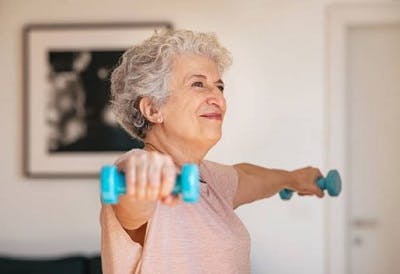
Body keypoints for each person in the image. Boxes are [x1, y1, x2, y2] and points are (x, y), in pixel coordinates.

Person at [100, 29, 325, 274]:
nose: (217, 97)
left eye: (219, 86)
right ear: (153, 109)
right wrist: (142, 180)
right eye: (198, 84)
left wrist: (295, 179)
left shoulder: (210, 179)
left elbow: (249, 176)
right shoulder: (140, 168)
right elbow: (132, 199)